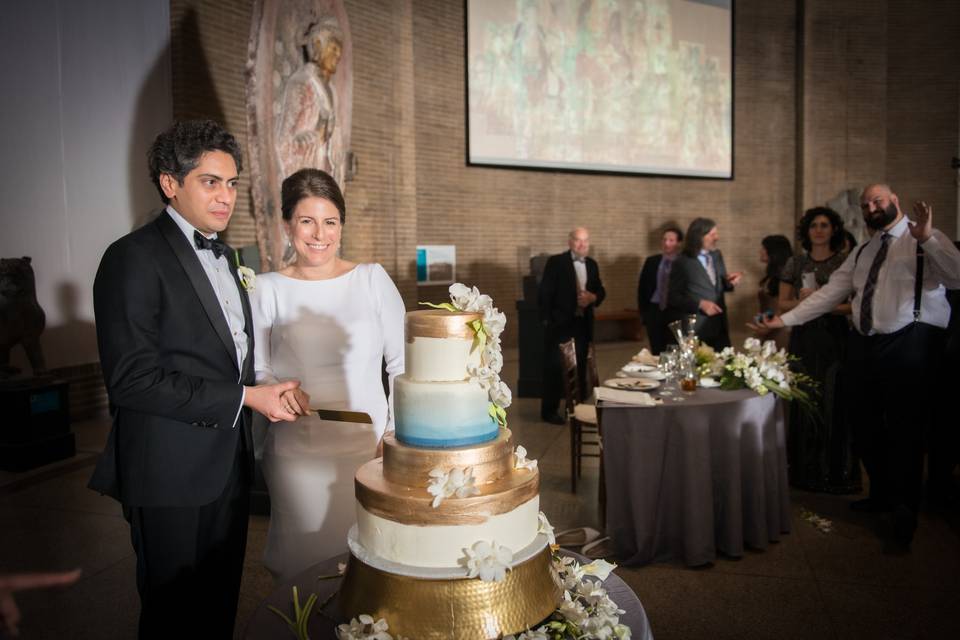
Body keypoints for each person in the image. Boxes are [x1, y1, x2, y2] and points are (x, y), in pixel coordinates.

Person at [90, 120, 300, 639]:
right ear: (170, 183)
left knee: (218, 606)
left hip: (227, 465)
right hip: (167, 470)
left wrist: (268, 385)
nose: (226, 197)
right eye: (210, 182)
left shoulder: (227, 257)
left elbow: (227, 355)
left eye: (232, 184)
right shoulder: (132, 258)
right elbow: (132, 380)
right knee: (172, 615)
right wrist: (247, 397)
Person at [762, 184, 960, 549]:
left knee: (905, 430)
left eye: (878, 201)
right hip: (864, 343)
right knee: (863, 423)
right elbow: (829, 294)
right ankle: (882, 492)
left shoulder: (922, 238)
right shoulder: (864, 251)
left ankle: (904, 512)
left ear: (895, 201)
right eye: (866, 204)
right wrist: (785, 320)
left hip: (910, 342)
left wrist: (929, 238)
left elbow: (956, 277)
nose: (871, 207)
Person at [251, 168, 405, 579]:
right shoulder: (266, 288)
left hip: (369, 447)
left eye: (330, 221)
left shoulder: (372, 279)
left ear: (341, 225)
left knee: (370, 567)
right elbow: (258, 366)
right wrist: (274, 391)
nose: (319, 233)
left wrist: (394, 435)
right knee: (304, 568)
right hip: (297, 450)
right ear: (288, 225)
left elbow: (401, 365)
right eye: (306, 220)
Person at [778, 207, 859, 493]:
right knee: (804, 399)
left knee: (833, 400)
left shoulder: (845, 262)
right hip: (805, 337)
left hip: (834, 337)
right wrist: (804, 301)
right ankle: (803, 472)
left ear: (834, 229)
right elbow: (782, 304)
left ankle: (835, 472)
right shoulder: (795, 262)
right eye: (814, 225)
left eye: (825, 225)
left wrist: (823, 302)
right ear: (807, 230)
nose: (819, 230)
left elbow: (854, 306)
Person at [539, 227, 606, 424]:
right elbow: (545, 293)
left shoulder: (592, 264)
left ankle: (576, 408)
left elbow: (600, 290)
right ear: (570, 242)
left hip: (582, 325)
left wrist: (592, 297)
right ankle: (549, 411)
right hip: (559, 326)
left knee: (580, 367)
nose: (582, 244)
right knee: (555, 368)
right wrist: (547, 322)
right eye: (578, 240)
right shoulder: (556, 262)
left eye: (585, 241)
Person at [666, 217, 742, 349]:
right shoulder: (682, 262)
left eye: (716, 234)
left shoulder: (717, 255)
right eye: (712, 234)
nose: (716, 237)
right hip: (696, 327)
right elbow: (673, 297)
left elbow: (719, 285)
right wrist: (700, 304)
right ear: (698, 236)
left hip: (719, 324)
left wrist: (730, 283)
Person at [637, 226, 683, 354]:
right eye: (664, 240)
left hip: (675, 310)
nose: (666, 243)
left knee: (674, 348)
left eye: (671, 240)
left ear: (679, 243)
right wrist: (644, 314)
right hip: (654, 310)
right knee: (657, 350)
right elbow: (642, 289)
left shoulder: (684, 262)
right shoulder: (652, 261)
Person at [752, 234, 793, 349]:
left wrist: (767, 327)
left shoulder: (785, 275)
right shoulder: (771, 275)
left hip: (779, 329)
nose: (760, 251)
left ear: (774, 252)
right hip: (767, 326)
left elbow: (783, 307)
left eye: (764, 248)